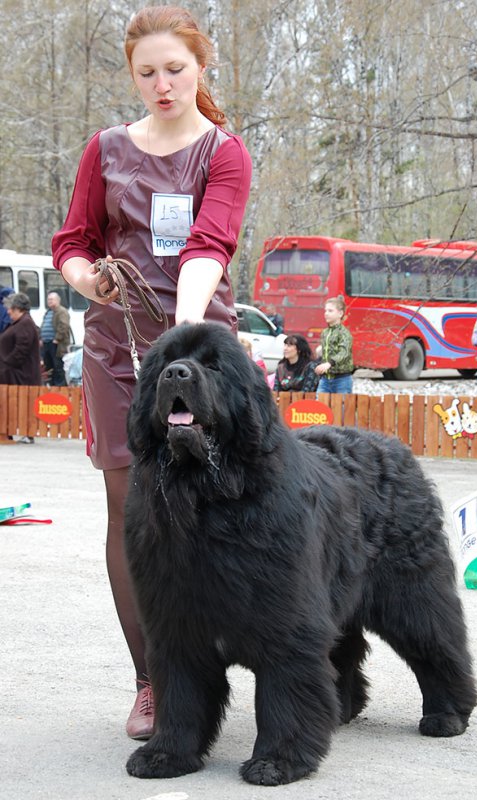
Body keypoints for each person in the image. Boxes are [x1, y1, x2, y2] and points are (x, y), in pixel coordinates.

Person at [51, 5, 251, 740]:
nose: (162, 85)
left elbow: (209, 242)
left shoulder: (222, 152)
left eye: (175, 69)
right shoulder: (103, 149)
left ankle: (238, 655)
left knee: (222, 509)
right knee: (132, 514)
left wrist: (181, 337)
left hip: (196, 348)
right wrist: (84, 279)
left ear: (201, 66)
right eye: (147, 73)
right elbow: (74, 238)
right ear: (131, 75)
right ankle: (154, 682)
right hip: (114, 350)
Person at [0, 293, 42, 443]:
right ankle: (11, 432)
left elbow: (21, 350)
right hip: (14, 373)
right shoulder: (20, 322)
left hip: (22, 374)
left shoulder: (25, 324)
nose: (8, 312)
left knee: (24, 405)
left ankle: (27, 434)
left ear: (17, 308)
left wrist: (7, 363)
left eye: (10, 308)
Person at [314, 296, 354, 394]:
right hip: (325, 379)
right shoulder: (325, 332)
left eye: (330, 311)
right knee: (320, 407)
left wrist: (329, 363)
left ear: (340, 313)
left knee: (341, 407)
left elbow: (344, 353)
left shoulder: (344, 333)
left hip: (342, 379)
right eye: (325, 311)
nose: (326, 313)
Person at [40, 291, 71, 386]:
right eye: (48, 299)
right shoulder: (48, 312)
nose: (49, 301)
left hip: (56, 345)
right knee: (49, 367)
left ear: (58, 300)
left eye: (51, 299)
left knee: (58, 366)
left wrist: (57, 339)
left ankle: (60, 388)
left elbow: (64, 326)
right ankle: (52, 386)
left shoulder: (61, 311)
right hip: (46, 343)